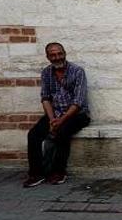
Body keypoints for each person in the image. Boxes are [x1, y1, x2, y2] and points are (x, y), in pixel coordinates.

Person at [23, 42, 90, 187]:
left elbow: (78, 102)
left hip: (77, 115)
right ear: (48, 57)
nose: (57, 57)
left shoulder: (77, 71)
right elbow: (45, 98)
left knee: (63, 132)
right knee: (33, 134)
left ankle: (58, 172)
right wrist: (52, 119)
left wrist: (61, 121)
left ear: (64, 53)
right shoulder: (46, 73)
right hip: (55, 114)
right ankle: (36, 173)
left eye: (59, 54)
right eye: (53, 55)